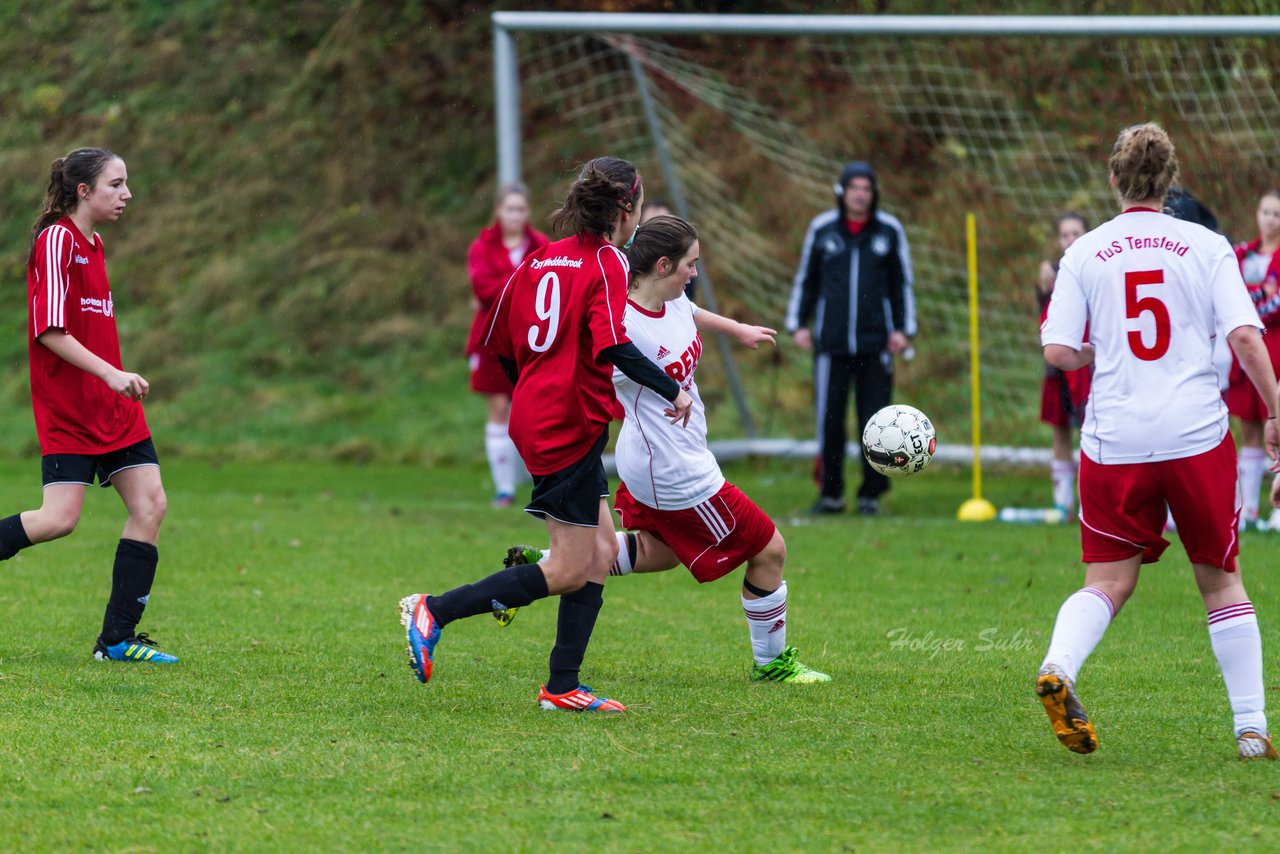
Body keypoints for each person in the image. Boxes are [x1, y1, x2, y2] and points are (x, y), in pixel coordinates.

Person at [398, 157, 692, 713]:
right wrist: (669, 388)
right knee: (567, 567)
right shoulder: (608, 262)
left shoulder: (540, 258)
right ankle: (434, 609)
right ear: (626, 206)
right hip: (565, 425)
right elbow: (611, 345)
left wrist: (534, 392)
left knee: (602, 551)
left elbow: (499, 340)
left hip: (545, 418)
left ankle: (562, 687)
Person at [496, 216, 830, 683]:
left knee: (662, 549)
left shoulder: (670, 298)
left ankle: (550, 566)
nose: (695, 273)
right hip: (675, 471)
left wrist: (737, 329)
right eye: (691, 264)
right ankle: (772, 663)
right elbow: (595, 364)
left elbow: (691, 313)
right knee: (770, 548)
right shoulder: (622, 324)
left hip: (652, 461)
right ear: (663, 264)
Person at [1035, 123, 1280, 760]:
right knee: (1222, 581)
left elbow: (1058, 350)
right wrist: (1276, 412)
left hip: (1114, 439)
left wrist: (1095, 349)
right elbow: (1247, 339)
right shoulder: (1206, 244)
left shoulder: (1085, 251)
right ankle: (1251, 729)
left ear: (1114, 180)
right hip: (1194, 435)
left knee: (1107, 581)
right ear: (1170, 181)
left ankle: (1059, 665)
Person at [0, 147, 176, 664]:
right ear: (84, 190)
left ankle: (117, 641)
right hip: (72, 411)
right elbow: (50, 330)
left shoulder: (94, 245)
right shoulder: (57, 241)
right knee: (58, 520)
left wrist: (114, 380)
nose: (127, 194)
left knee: (150, 505)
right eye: (116, 184)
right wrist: (112, 372)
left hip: (114, 408)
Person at [785, 161, 917, 516]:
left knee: (876, 423)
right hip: (831, 347)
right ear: (842, 192)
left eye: (867, 188)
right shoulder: (823, 229)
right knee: (829, 420)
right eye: (854, 187)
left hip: (877, 346)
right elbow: (807, 279)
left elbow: (901, 284)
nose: (860, 194)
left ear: (874, 193)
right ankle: (831, 493)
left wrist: (904, 330)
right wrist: (798, 322)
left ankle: (870, 494)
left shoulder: (889, 231)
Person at [466, 183, 550, 507]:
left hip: (529, 337)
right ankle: (504, 489)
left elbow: (547, 287)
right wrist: (521, 279)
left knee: (530, 411)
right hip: (490, 338)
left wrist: (509, 284)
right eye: (509, 209)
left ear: (528, 212)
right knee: (499, 408)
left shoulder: (540, 244)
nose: (515, 215)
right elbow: (483, 289)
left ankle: (537, 486)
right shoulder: (482, 246)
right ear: (498, 211)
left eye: (521, 209)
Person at [1225, 190, 1280, 531]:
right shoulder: (1241, 256)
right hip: (1247, 348)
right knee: (1248, 428)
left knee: (1277, 423)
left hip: (1275, 347)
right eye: (1266, 212)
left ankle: (1278, 509)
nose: (1270, 219)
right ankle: (1247, 510)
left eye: (1277, 213)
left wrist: (1257, 299)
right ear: (1256, 214)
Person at [1035, 212, 1091, 517]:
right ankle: (1062, 501)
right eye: (1065, 235)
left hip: (1086, 363)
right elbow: (1043, 318)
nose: (1071, 240)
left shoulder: (1097, 269)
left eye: (1076, 233)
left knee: (1088, 430)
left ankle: (1089, 499)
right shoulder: (1051, 275)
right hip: (1058, 366)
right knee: (1060, 429)